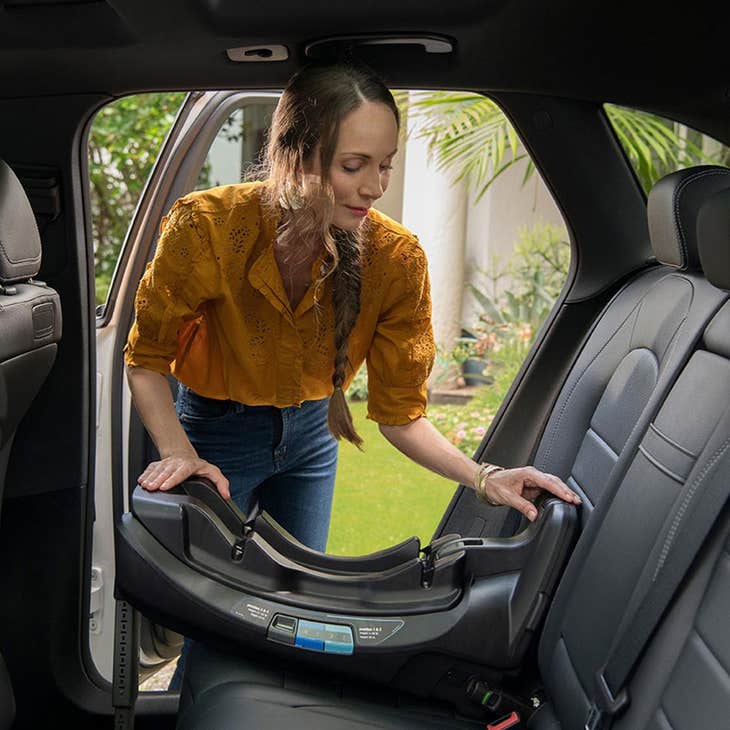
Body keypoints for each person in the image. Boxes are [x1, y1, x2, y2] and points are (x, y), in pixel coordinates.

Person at [123, 61, 581, 689]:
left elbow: (399, 414)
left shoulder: (397, 259)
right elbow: (145, 360)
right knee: (216, 619)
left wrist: (486, 478)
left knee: (291, 610)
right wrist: (178, 452)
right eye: (353, 165)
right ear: (295, 156)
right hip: (217, 433)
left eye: (385, 164)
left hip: (313, 440)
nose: (374, 186)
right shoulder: (207, 225)